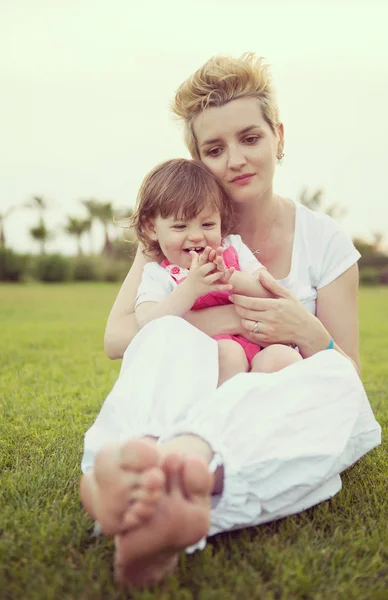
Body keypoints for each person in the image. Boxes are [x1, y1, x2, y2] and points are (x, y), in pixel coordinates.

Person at [80, 53, 381, 587]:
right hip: (193, 392)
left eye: (250, 138)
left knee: (331, 380)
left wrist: (307, 332)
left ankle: (170, 486)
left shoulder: (326, 242)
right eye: (215, 149)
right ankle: (166, 481)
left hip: (272, 407)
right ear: (197, 159)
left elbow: (349, 377)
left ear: (278, 138)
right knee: (165, 336)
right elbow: (119, 339)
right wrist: (219, 315)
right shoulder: (176, 236)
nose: (236, 159)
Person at [132, 157, 302, 385]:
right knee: (227, 353)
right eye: (180, 226)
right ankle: (224, 416)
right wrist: (190, 288)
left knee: (285, 358)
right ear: (151, 228)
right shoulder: (158, 274)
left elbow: (272, 292)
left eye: (208, 224)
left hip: (258, 350)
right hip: (199, 361)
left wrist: (232, 277)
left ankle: (268, 415)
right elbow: (148, 325)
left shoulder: (233, 248)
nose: (196, 235)